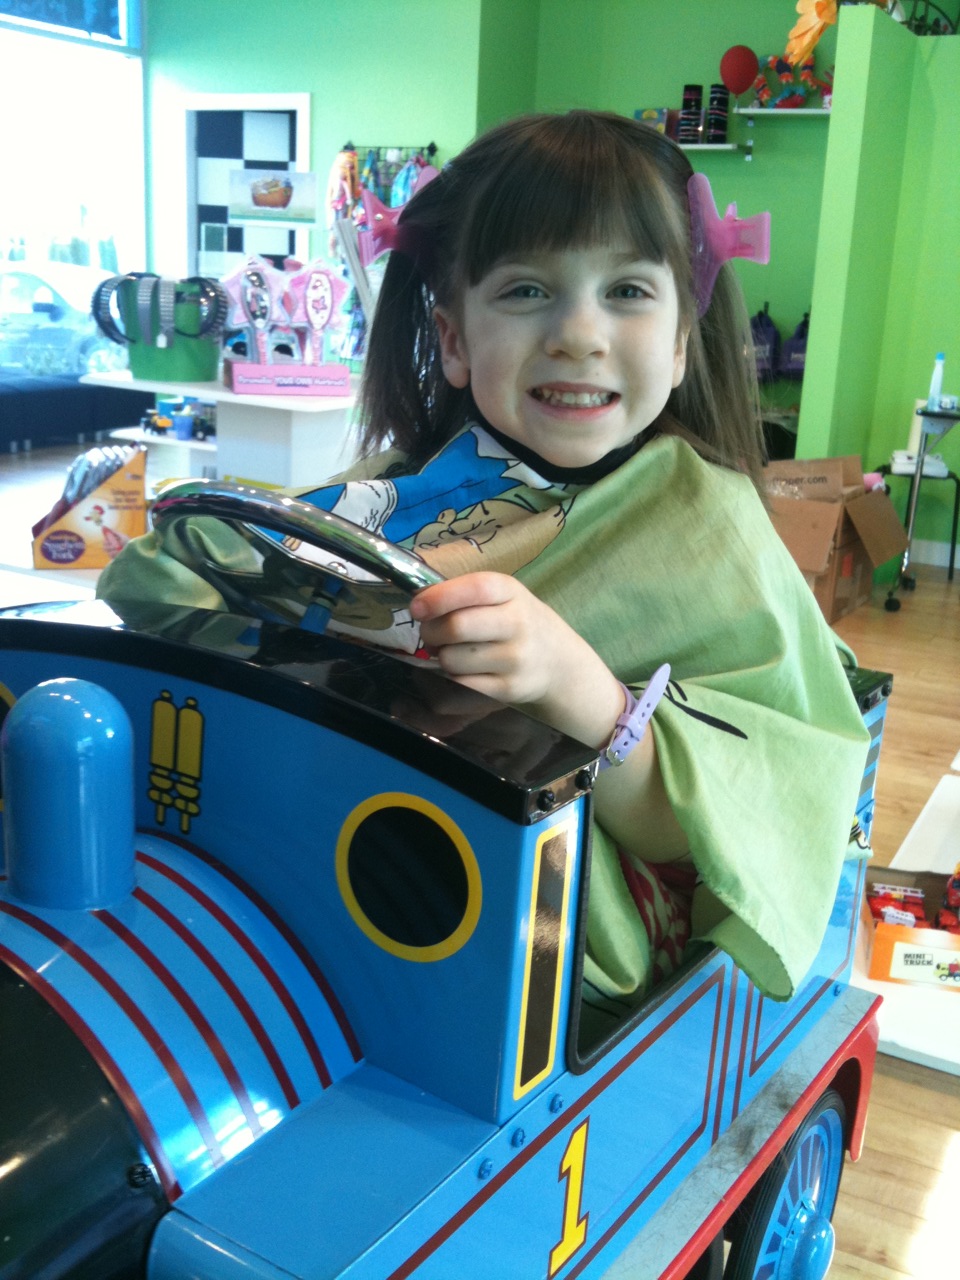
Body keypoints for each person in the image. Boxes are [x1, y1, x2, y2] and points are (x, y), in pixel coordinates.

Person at [98, 110, 870, 1019]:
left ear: (678, 341)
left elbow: (728, 825)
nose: (579, 334)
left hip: (521, 921)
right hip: (306, 826)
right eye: (527, 291)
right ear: (455, 339)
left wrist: (575, 688)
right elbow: (167, 587)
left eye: (626, 291)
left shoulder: (704, 520)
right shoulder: (407, 484)